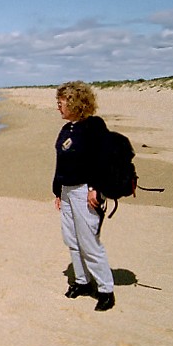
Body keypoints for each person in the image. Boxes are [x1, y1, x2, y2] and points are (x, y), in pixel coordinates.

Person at [52, 81, 116, 312]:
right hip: (68, 192)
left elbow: (103, 160)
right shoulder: (67, 128)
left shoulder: (93, 127)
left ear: (74, 102)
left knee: (89, 242)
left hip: (85, 191)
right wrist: (58, 191)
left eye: (60, 103)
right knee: (72, 240)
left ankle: (106, 290)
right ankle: (82, 282)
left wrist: (95, 188)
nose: (58, 107)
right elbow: (61, 162)